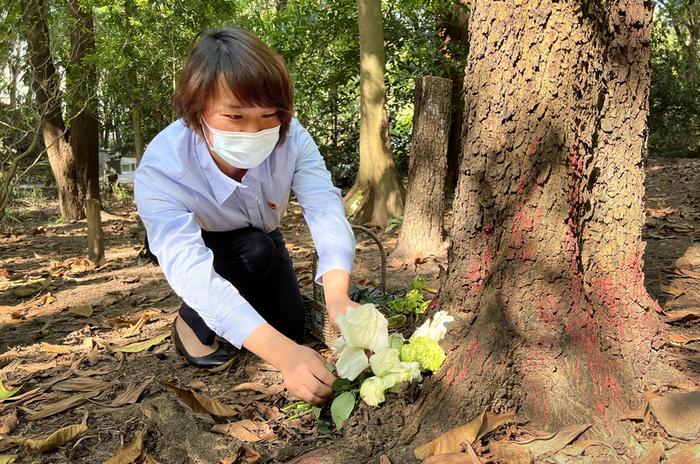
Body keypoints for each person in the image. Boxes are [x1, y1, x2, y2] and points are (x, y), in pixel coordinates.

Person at [134, 27, 358, 406]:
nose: (254, 130)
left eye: (269, 114)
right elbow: (190, 269)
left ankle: (238, 305)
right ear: (197, 111)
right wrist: (284, 356)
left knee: (290, 324)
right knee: (254, 261)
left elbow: (324, 209)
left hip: (265, 236)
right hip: (208, 241)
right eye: (234, 116)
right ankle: (190, 325)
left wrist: (337, 295)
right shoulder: (163, 167)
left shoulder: (293, 139)